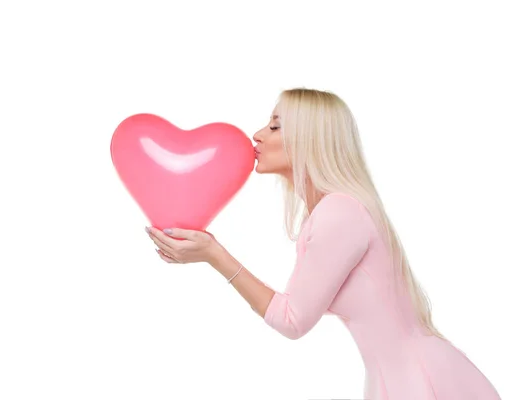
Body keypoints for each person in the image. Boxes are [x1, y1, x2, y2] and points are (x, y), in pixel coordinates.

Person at [144, 88, 501, 399]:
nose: (256, 135)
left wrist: (214, 254)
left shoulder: (340, 212)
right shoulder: (333, 210)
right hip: (403, 379)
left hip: (422, 383)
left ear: (309, 138)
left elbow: (292, 320)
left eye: (275, 126)